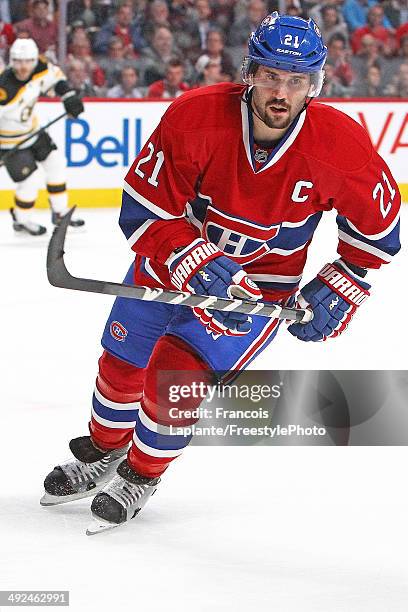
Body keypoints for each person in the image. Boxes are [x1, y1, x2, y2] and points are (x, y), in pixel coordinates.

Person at [41, 12, 401, 534]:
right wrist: (192, 257)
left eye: (296, 80)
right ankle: (103, 450)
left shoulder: (340, 145)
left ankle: (141, 474)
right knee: (121, 366)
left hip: (260, 289)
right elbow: (143, 210)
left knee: (174, 376)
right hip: (170, 262)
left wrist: (345, 280)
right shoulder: (195, 117)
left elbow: (378, 232)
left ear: (313, 85)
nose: (282, 91)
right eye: (272, 75)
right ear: (250, 71)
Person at [0, 38, 85, 235]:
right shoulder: (4, 88)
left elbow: (57, 79)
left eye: (28, 61)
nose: (23, 67)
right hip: (8, 142)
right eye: (18, 61)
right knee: (30, 181)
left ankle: (60, 212)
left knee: (56, 164)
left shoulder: (41, 67)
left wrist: (69, 97)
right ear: (12, 61)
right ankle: (21, 220)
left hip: (33, 132)